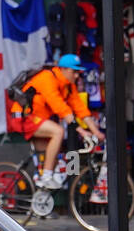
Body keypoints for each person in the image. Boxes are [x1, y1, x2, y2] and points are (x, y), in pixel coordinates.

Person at [20, 54, 103, 188]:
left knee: (52, 153)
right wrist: (82, 131)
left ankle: (42, 189)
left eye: (78, 72)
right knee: (58, 132)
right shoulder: (48, 78)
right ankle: (46, 176)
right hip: (26, 118)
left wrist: (96, 132)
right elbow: (60, 107)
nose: (76, 76)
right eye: (73, 71)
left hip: (41, 120)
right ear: (63, 69)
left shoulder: (68, 85)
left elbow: (81, 110)